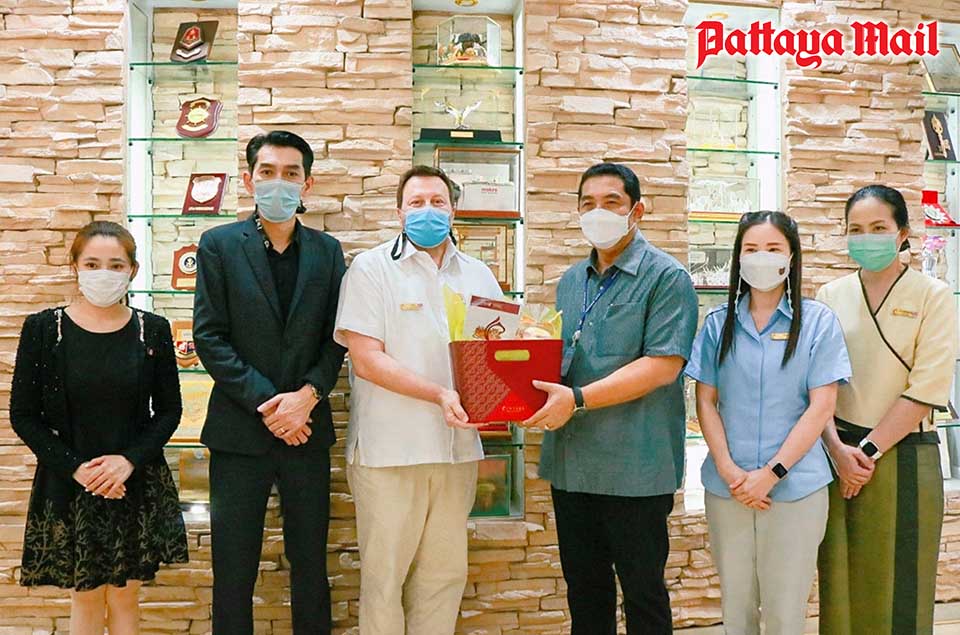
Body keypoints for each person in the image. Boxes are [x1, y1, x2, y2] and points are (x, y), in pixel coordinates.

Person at [524, 162, 698, 635]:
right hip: (573, 464)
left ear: (636, 211)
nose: (597, 212)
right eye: (588, 203)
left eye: (611, 202)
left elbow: (663, 365)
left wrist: (577, 399)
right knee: (585, 593)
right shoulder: (570, 281)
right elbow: (559, 359)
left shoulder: (666, 277)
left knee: (643, 595)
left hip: (635, 468)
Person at [334, 165, 502, 635]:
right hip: (390, 454)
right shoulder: (371, 268)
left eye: (437, 202)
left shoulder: (478, 274)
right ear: (399, 212)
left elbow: (495, 353)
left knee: (443, 579)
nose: (428, 210)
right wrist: (439, 394)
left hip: (457, 452)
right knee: (384, 582)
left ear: (453, 210)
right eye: (417, 202)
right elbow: (367, 360)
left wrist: (502, 398)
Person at [193, 130, 347, 635]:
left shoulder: (328, 251)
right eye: (267, 172)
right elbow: (209, 337)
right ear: (248, 179)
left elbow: (337, 337)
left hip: (307, 431)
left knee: (311, 565)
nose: (278, 182)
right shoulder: (218, 245)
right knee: (233, 567)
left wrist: (307, 397)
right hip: (239, 432)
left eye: (291, 173)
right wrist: (273, 405)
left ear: (307, 183)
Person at [10, 221, 188, 635]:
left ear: (133, 270)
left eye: (115, 264)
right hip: (69, 482)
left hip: (134, 481)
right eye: (92, 264)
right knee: (86, 597)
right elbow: (24, 415)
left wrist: (127, 461)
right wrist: (78, 469)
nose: (103, 273)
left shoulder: (153, 329)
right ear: (74, 266)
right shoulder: (43, 329)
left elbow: (169, 411)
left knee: (125, 595)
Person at [684, 211, 851, 635]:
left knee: (785, 611)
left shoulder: (817, 323)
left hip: (797, 489)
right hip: (729, 489)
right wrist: (729, 471)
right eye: (751, 249)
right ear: (738, 258)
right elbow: (706, 401)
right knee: (736, 607)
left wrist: (772, 473)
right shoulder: (717, 324)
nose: (762, 257)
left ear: (791, 257)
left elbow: (821, 407)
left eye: (773, 248)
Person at [817, 185, 958, 635]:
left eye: (878, 227)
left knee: (902, 583)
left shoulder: (933, 295)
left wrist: (866, 453)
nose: (867, 238)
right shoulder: (831, 294)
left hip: (903, 454)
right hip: (837, 454)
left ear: (902, 233)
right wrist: (838, 451)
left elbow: (928, 386)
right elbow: (817, 385)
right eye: (856, 229)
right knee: (841, 578)